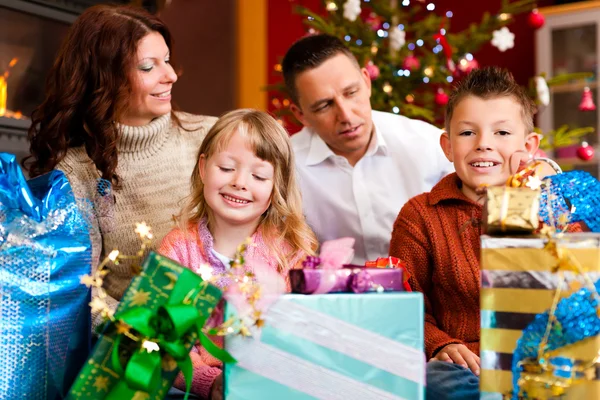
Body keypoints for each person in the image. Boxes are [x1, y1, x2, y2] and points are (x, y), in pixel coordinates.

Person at [23, 5, 216, 327]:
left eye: (166, 60)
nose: (170, 75)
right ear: (103, 78)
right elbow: (77, 290)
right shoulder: (73, 174)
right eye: (147, 66)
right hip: (144, 356)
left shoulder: (213, 137)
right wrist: (148, 337)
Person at [389, 66, 547, 399]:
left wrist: (536, 187)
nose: (483, 145)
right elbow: (405, 305)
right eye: (467, 133)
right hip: (468, 364)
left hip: (540, 357)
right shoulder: (420, 215)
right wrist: (440, 344)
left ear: (529, 145)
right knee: (437, 378)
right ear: (447, 146)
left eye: (502, 133)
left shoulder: (547, 205)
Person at [159, 108, 318, 399]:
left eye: (258, 175)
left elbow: (299, 336)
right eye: (227, 168)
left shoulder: (289, 253)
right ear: (204, 167)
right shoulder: (177, 248)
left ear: (276, 186)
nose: (240, 182)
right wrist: (209, 383)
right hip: (193, 389)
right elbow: (166, 343)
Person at [282, 33, 454, 265]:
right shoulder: (284, 167)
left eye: (351, 93)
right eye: (324, 105)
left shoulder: (429, 145)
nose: (346, 115)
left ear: (366, 81)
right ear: (300, 114)